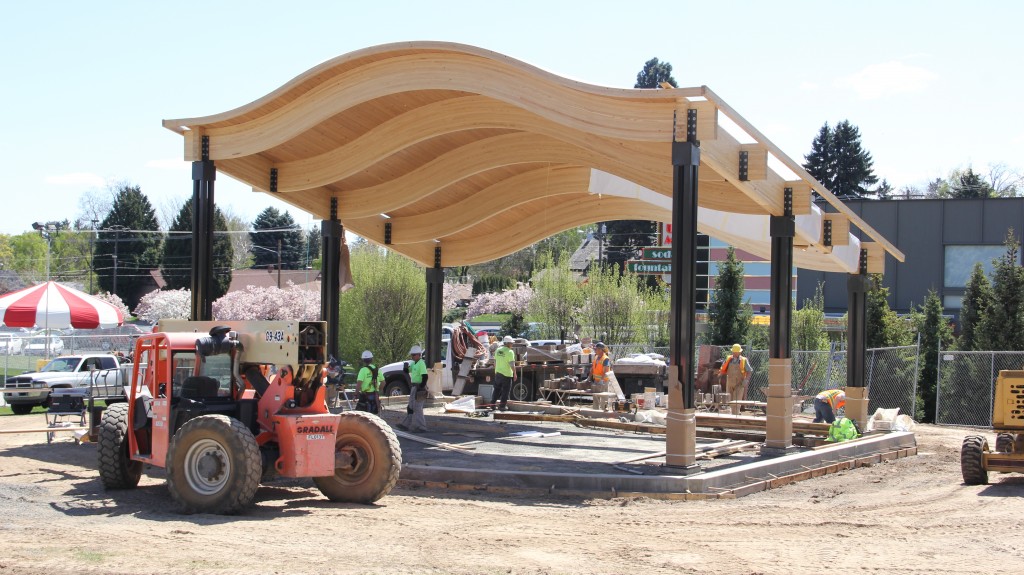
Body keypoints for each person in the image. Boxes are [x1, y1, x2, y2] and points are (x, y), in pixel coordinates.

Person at [399, 345, 429, 432]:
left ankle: (421, 427)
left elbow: (425, 376)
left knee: (418, 407)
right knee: (411, 406)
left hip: (419, 387)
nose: (412, 357)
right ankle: (407, 424)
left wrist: (421, 387)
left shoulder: (421, 363)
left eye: (414, 355)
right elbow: (408, 371)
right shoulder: (414, 363)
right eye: (411, 355)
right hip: (414, 387)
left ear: (419, 355)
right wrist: (405, 368)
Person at [491, 335, 517, 411]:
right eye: (511, 343)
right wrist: (515, 373)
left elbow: (495, 362)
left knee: (497, 389)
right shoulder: (510, 352)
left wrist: (496, 370)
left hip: (498, 373)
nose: (512, 345)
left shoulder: (498, 350)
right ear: (508, 343)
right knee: (506, 391)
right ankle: (502, 406)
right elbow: (512, 364)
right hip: (506, 374)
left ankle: (492, 404)